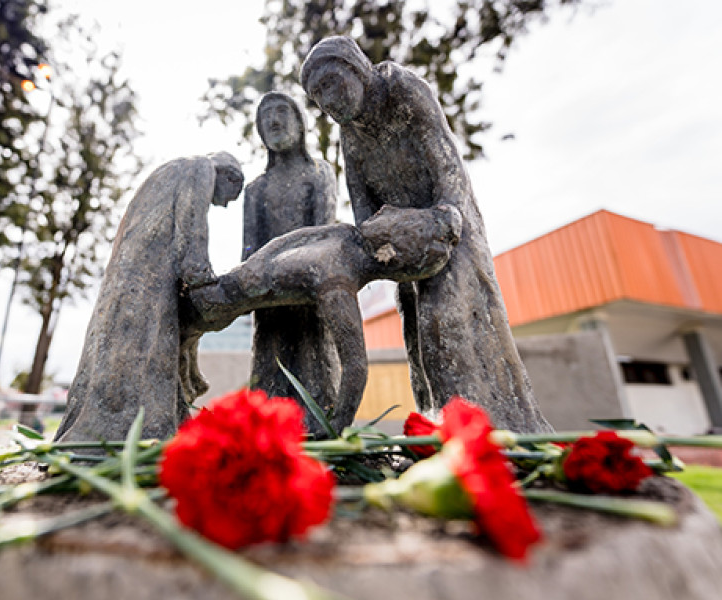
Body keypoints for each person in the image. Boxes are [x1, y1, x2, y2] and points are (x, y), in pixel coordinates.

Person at [300, 36, 551, 432]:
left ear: (355, 68)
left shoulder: (402, 90)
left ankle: (478, 428)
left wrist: (447, 215)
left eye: (330, 84)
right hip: (401, 242)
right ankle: (438, 425)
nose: (327, 101)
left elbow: (445, 159)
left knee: (445, 320)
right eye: (317, 97)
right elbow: (360, 198)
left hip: (446, 227)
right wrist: (374, 239)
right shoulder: (350, 132)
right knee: (417, 332)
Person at [188, 203, 461, 435]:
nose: (383, 210)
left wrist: (254, 265)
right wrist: (338, 425)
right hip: (226, 298)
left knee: (197, 323)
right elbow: (355, 367)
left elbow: (286, 242)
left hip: (241, 282)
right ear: (396, 266)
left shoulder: (344, 237)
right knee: (197, 321)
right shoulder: (338, 282)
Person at [55, 152, 244, 442]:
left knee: (129, 345)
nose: (226, 204)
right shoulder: (201, 168)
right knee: (151, 345)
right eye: (232, 195)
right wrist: (202, 278)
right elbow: (192, 227)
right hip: (151, 278)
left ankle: (129, 425)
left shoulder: (172, 169)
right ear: (230, 176)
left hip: (130, 274)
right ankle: (139, 430)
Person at [241, 92, 340, 423]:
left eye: (282, 111)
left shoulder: (319, 174)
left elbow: (322, 237)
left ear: (300, 122)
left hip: (309, 294)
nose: (273, 121)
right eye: (265, 116)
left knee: (316, 374)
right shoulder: (256, 189)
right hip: (270, 302)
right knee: (269, 375)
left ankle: (320, 428)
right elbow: (249, 250)